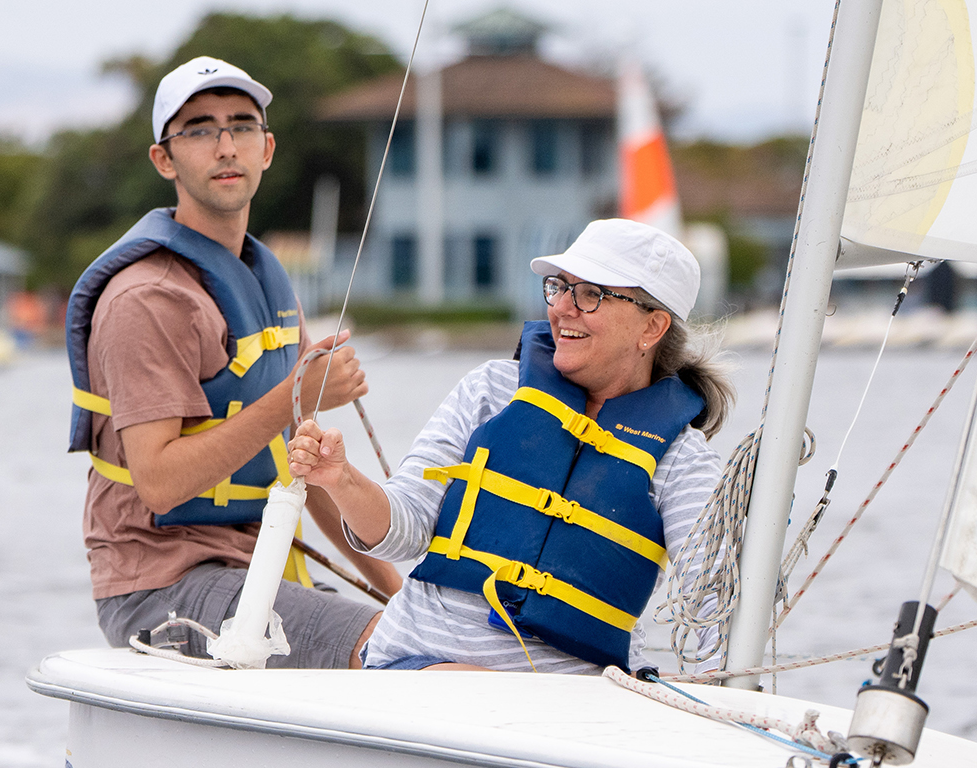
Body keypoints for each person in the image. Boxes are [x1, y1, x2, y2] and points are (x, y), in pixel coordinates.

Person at [64, 56, 401, 669]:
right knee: (402, 654)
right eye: (198, 129)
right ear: (164, 159)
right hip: (159, 586)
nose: (225, 146)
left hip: (256, 568)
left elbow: (307, 469)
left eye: (242, 126)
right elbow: (160, 483)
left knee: (426, 636)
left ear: (266, 149)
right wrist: (299, 391)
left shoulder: (264, 283)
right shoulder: (147, 299)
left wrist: (404, 596)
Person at [289, 219, 733, 673]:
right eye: (559, 287)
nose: (562, 307)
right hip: (419, 668)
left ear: (652, 327)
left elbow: (715, 605)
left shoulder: (682, 460)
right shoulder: (490, 391)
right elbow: (405, 529)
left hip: (575, 707)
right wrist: (340, 479)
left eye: (591, 294)